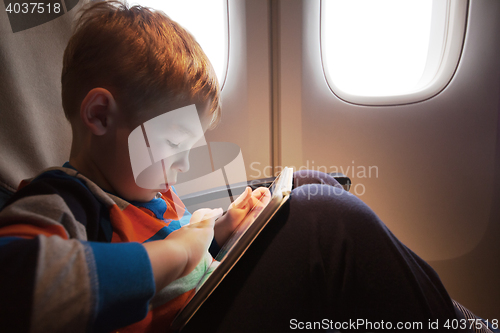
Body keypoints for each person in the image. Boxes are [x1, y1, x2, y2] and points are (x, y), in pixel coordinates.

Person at [0, 1, 493, 333]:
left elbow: (171, 260)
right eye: (174, 142)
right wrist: (177, 252)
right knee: (325, 222)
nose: (185, 162)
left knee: (308, 186)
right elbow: (21, 285)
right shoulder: (63, 201)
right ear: (100, 116)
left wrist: (220, 233)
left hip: (194, 303)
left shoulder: (142, 191)